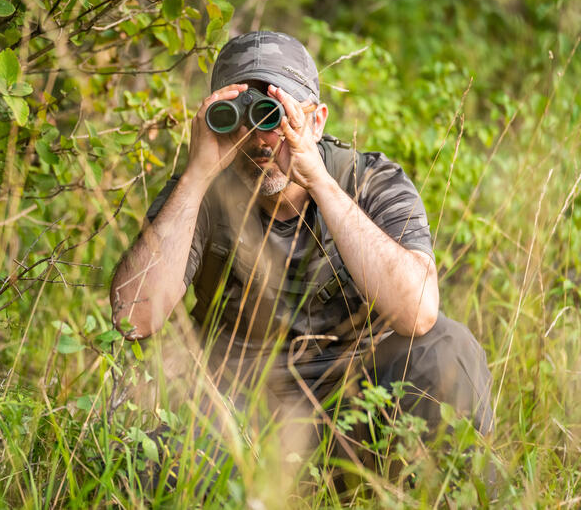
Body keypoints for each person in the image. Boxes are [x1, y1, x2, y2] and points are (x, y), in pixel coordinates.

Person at [109, 31, 492, 479]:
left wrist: (320, 183)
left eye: (274, 115)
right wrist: (196, 175)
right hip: (244, 420)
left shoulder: (367, 180)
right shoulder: (201, 194)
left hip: (361, 410)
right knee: (160, 452)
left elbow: (419, 312)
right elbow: (132, 317)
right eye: (239, 118)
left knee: (447, 349)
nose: (259, 140)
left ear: (316, 121)